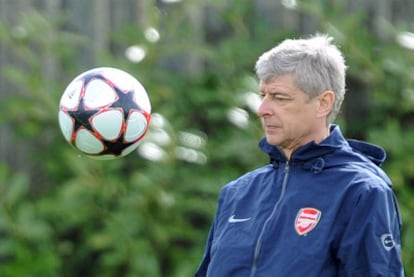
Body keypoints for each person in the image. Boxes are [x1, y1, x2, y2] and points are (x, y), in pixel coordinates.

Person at [195, 34, 404, 276]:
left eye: (279, 97)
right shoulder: (237, 193)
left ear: (323, 103)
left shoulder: (360, 192)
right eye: (263, 95)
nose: (262, 109)